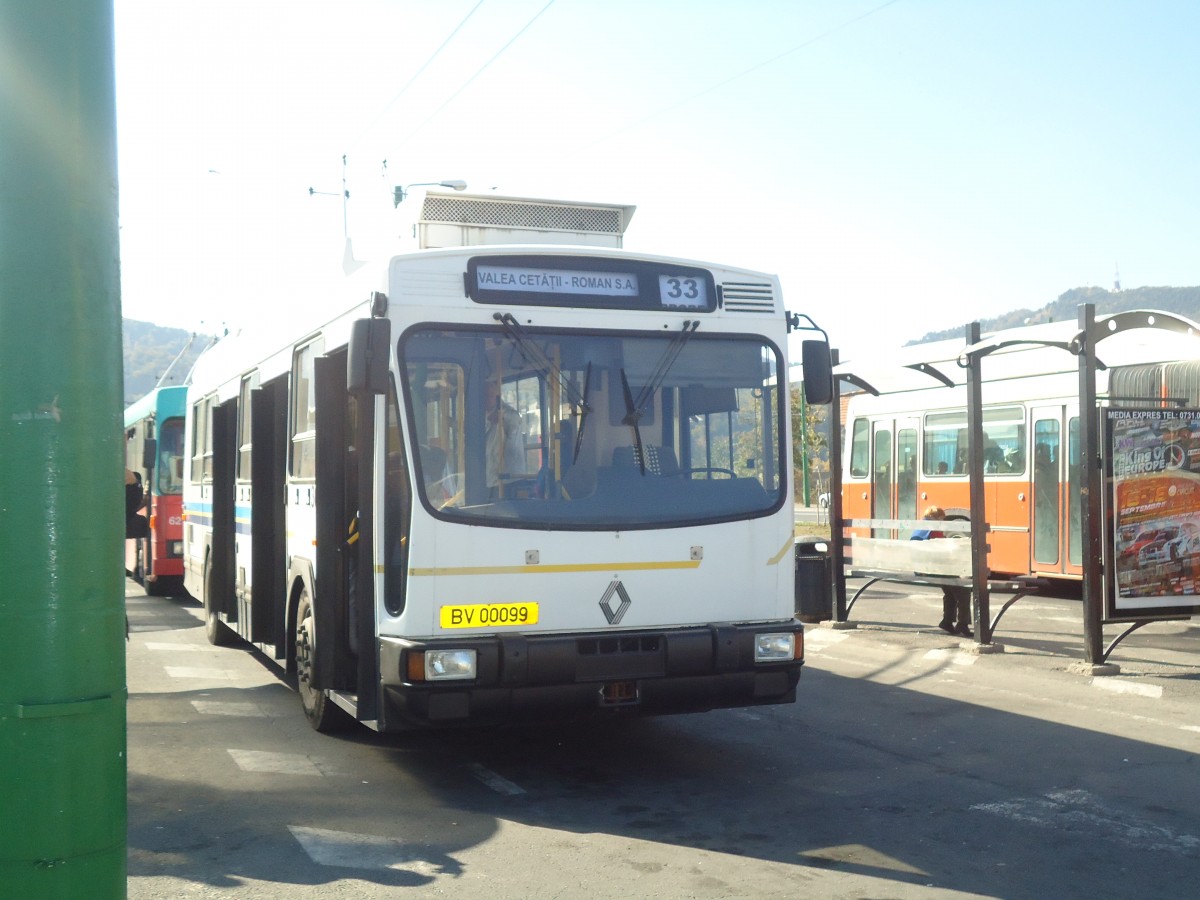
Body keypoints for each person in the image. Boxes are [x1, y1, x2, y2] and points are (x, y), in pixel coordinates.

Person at [911, 505, 973, 637]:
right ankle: (962, 624)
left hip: (921, 568)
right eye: (942, 519)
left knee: (950, 590)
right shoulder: (933, 529)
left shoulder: (920, 526)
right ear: (937, 518)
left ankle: (947, 621)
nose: (943, 522)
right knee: (964, 589)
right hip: (931, 569)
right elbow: (942, 550)